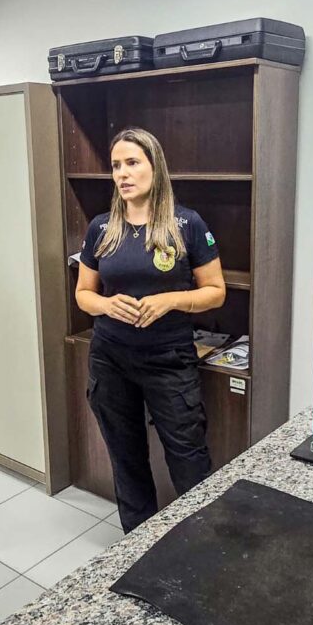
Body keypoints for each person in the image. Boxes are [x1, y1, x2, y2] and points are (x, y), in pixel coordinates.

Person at [75, 127, 226, 533]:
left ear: (155, 167)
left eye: (132, 163)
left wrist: (171, 300)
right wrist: (107, 304)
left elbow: (216, 292)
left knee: (189, 460)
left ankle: (198, 544)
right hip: (111, 359)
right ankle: (138, 542)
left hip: (168, 361)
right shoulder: (101, 227)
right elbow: (84, 295)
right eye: (116, 166)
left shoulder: (186, 223)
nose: (122, 174)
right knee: (126, 460)